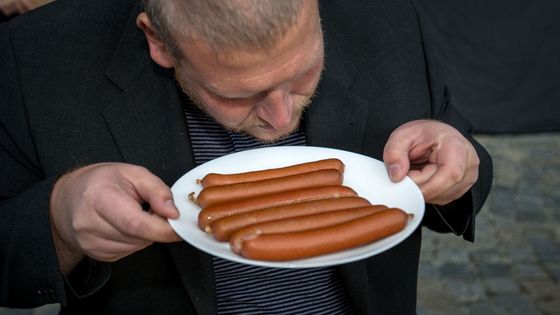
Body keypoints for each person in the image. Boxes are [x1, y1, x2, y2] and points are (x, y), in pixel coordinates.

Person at [0, 0, 493, 314]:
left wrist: (460, 162)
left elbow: (461, 157)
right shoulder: (36, 58)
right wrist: (59, 219)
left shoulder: (384, 18)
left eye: (302, 74)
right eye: (237, 95)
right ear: (158, 40)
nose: (279, 120)